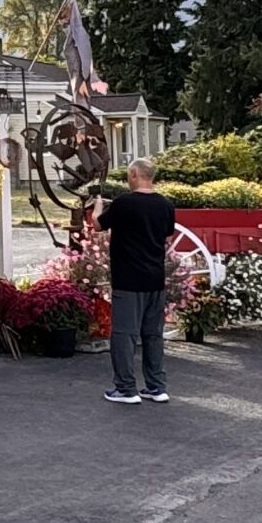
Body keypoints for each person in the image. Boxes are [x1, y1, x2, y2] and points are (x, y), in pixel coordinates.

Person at [94, 158, 177, 405]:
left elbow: (98, 225)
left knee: (124, 334)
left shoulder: (123, 203)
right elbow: (167, 232)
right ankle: (156, 387)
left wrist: (98, 206)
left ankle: (126, 389)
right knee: (153, 335)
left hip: (128, 279)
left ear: (133, 174)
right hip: (155, 279)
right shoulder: (165, 204)